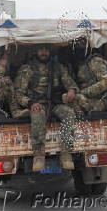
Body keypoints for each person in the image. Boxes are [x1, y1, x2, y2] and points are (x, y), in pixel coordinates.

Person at [14, 44, 79, 172]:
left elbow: (70, 83)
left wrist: (71, 90)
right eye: (41, 49)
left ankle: (66, 152)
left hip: (54, 103)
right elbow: (18, 93)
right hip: (36, 104)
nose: (44, 52)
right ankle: (39, 154)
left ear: (50, 51)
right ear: (36, 51)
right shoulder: (27, 69)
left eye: (46, 49)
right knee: (38, 113)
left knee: (69, 113)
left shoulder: (57, 67)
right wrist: (31, 103)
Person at [62, 42, 107, 116]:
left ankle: (80, 120)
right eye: (77, 44)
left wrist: (84, 92)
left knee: (78, 98)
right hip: (83, 99)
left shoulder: (95, 61)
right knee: (65, 97)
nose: (79, 46)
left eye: (83, 43)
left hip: (99, 101)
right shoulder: (75, 64)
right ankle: (79, 117)